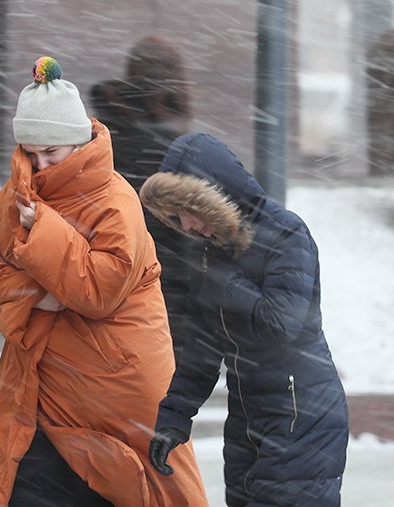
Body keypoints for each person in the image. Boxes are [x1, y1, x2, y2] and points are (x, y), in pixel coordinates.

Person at [0, 56, 208, 507]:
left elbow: (98, 291)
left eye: (52, 153)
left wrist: (43, 230)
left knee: (132, 486)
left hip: (112, 385)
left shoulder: (116, 201)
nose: (40, 165)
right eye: (31, 152)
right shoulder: (17, 194)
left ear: (78, 144)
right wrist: (39, 299)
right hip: (41, 385)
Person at [142, 133, 350, 506]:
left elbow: (281, 324)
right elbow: (202, 346)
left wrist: (224, 282)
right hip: (247, 418)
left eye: (190, 211)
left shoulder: (286, 232)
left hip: (301, 414)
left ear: (217, 197)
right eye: (176, 216)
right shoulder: (213, 251)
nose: (186, 225)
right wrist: (174, 417)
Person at [90, 34, 200, 361]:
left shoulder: (103, 139)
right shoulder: (178, 149)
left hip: (107, 296)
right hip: (165, 302)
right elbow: (190, 242)